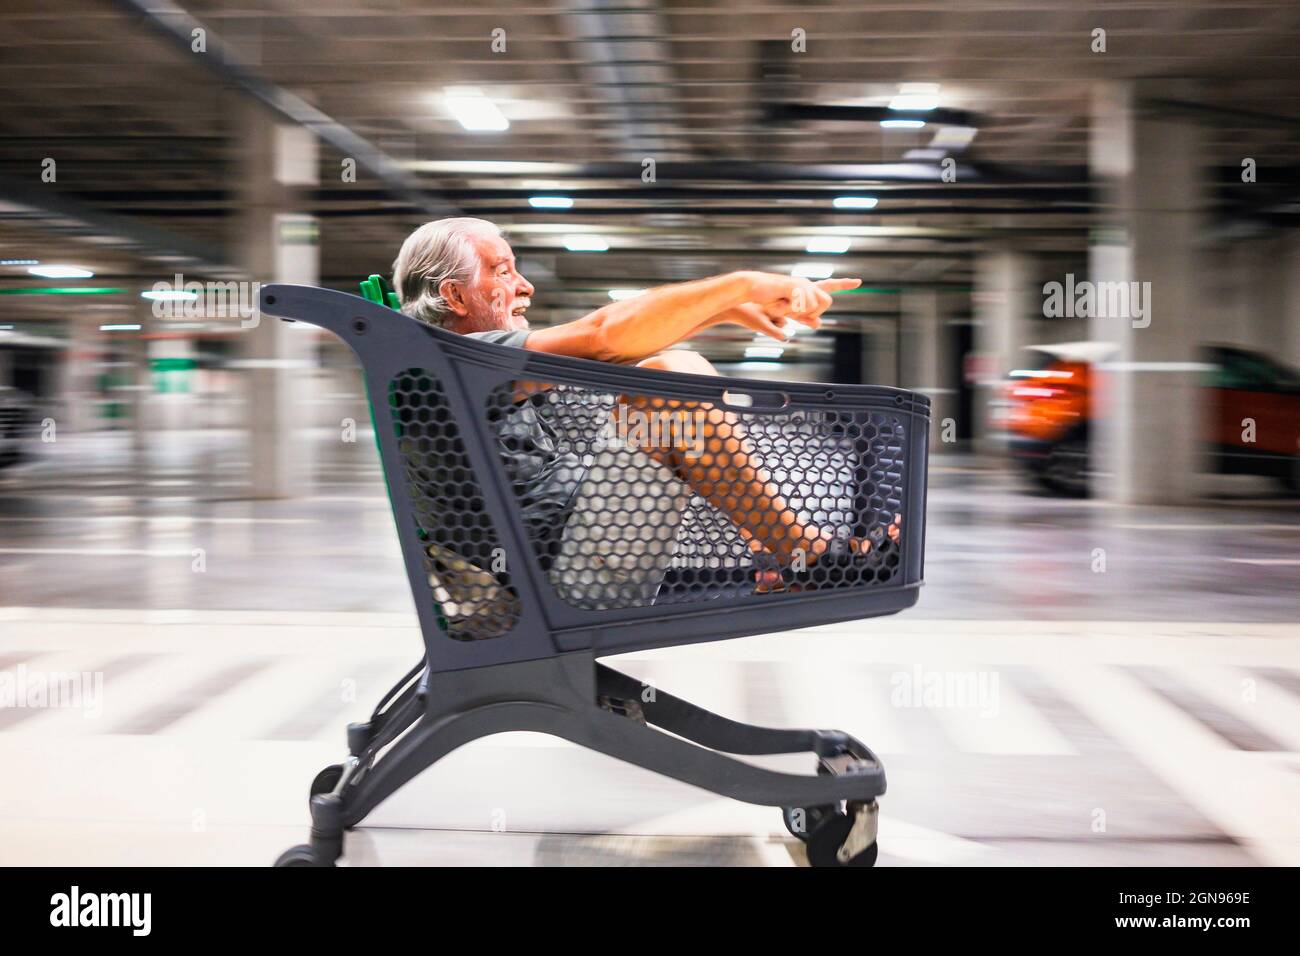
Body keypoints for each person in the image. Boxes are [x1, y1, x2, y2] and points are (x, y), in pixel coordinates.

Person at [391, 217, 898, 612]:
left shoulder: (442, 363)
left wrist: (719, 311)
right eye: (502, 270)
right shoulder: (456, 362)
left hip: (578, 552)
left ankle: (785, 554)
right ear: (455, 295)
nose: (525, 286)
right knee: (673, 384)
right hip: (568, 581)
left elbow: (615, 349)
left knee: (666, 377)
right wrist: (740, 286)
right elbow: (603, 337)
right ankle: (807, 559)